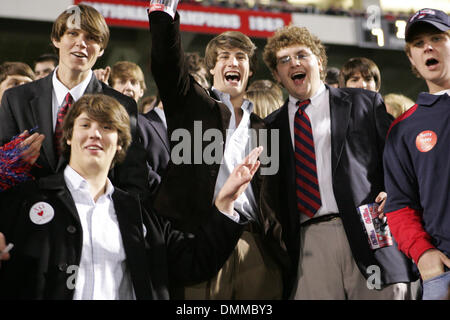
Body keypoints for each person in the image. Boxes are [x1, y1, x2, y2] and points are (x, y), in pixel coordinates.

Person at [0, 93, 261, 300]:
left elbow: (192, 263)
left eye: (106, 126)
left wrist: (225, 203)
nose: (95, 133)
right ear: (68, 136)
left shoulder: (138, 212)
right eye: (85, 124)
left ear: (121, 143)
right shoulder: (24, 200)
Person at [261, 25, 417, 299]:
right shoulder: (269, 128)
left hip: (371, 231)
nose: (294, 63)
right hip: (308, 242)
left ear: (319, 62)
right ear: (276, 75)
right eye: (284, 60)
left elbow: (401, 160)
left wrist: (394, 190)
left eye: (301, 55)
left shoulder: (364, 103)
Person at [149, 8, 286, 299]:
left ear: (250, 69)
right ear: (212, 69)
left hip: (257, 249)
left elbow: (273, 196)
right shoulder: (191, 105)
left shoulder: (265, 129)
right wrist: (163, 14)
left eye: (240, 57)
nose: (232, 62)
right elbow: (167, 65)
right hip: (203, 240)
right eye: (224, 57)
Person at [0, 4, 148, 197]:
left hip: (91, 219)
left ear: (101, 49)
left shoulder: (122, 105)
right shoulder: (16, 99)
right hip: (29, 217)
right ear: (56, 39)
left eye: (91, 38)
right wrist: (13, 161)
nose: (82, 43)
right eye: (73, 33)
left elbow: (132, 178)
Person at [383, 8, 450, 300]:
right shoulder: (404, 128)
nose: (428, 47)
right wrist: (423, 253)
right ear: (411, 58)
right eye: (418, 44)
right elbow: (399, 206)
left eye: (437, 37)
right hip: (443, 271)